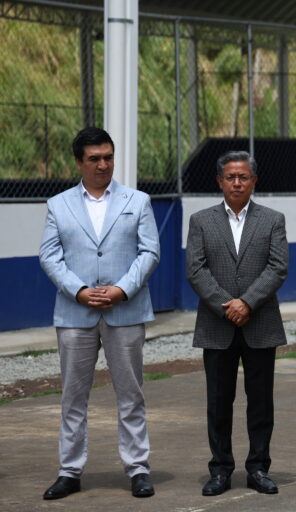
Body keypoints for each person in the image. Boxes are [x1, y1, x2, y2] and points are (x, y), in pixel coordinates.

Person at [39, 127, 160, 500]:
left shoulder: (137, 201)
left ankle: (138, 468)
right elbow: (49, 255)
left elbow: (150, 252)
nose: (102, 165)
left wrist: (122, 289)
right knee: (73, 397)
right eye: (94, 159)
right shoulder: (58, 205)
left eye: (108, 157)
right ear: (79, 162)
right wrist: (78, 290)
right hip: (75, 314)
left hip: (126, 311)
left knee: (131, 395)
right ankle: (70, 470)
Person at [186, 151, 288, 497]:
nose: (237, 182)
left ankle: (258, 467)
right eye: (230, 177)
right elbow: (196, 270)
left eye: (243, 177)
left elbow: (278, 267)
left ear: (254, 181)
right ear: (219, 181)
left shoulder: (273, 219)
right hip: (217, 325)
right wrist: (225, 305)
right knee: (218, 402)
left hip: (260, 323)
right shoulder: (201, 221)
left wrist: (247, 302)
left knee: (260, 403)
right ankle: (220, 469)